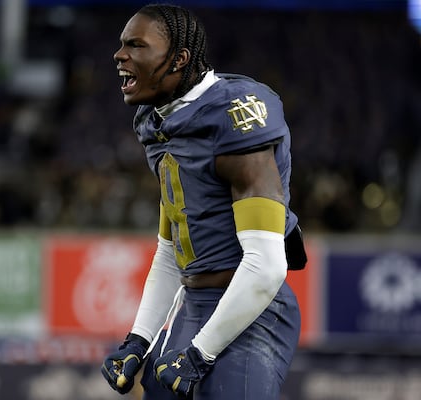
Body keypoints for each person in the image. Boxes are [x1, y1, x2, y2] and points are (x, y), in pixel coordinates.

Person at [101, 4, 307, 399]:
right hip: (193, 301)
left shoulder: (234, 118)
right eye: (122, 45)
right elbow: (169, 253)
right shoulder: (161, 121)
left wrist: (199, 354)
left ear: (179, 59)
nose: (120, 55)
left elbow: (266, 266)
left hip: (250, 311)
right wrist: (138, 340)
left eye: (136, 45)